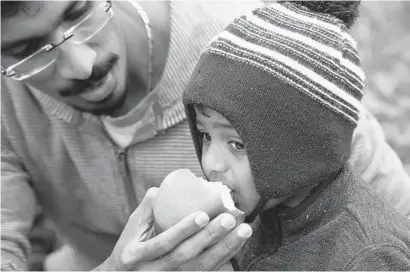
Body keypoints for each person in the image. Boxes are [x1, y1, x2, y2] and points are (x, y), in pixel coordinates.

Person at [1, 0, 409, 270]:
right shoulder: (258, 214)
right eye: (28, 51)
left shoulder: (264, 63)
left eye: (79, 12)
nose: (81, 63)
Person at [182, 1, 410, 270]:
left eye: (237, 144)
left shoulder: (368, 256)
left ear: (299, 148)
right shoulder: (257, 211)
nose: (211, 164)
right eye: (206, 136)